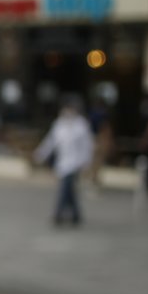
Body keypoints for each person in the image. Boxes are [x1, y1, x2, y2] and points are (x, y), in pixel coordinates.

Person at [34, 97, 95, 227]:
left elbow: (87, 146)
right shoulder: (59, 125)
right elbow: (50, 142)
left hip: (75, 164)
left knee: (65, 188)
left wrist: (86, 162)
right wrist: (40, 154)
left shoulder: (81, 125)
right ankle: (76, 215)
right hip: (62, 163)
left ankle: (58, 214)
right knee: (70, 191)